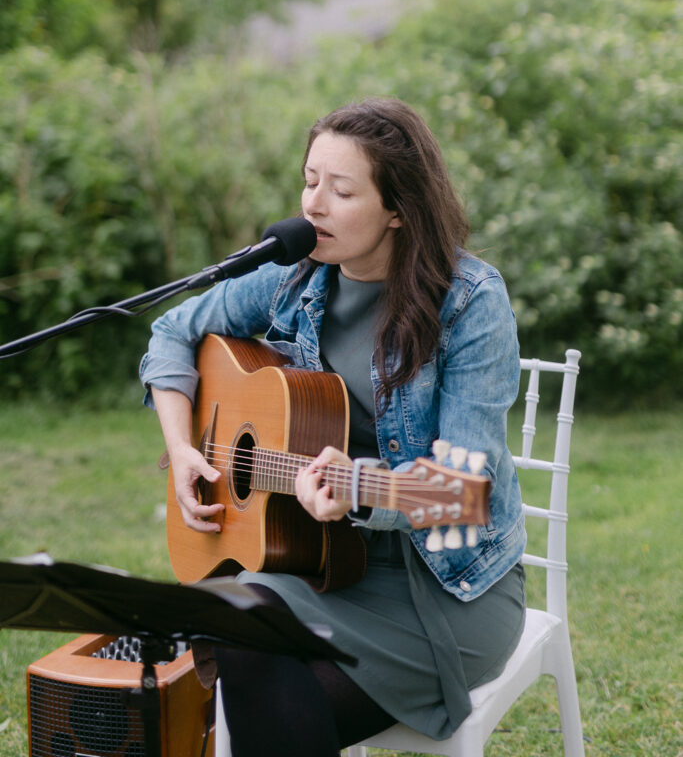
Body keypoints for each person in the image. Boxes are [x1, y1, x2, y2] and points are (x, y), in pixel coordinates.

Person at [140, 97, 526, 757]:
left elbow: (463, 491)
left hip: (442, 586)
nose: (312, 206)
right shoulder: (295, 277)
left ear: (398, 209)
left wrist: (359, 487)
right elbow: (174, 332)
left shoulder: (468, 303)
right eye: (309, 180)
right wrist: (180, 449)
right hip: (316, 561)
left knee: (264, 678)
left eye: (340, 190)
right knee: (238, 620)